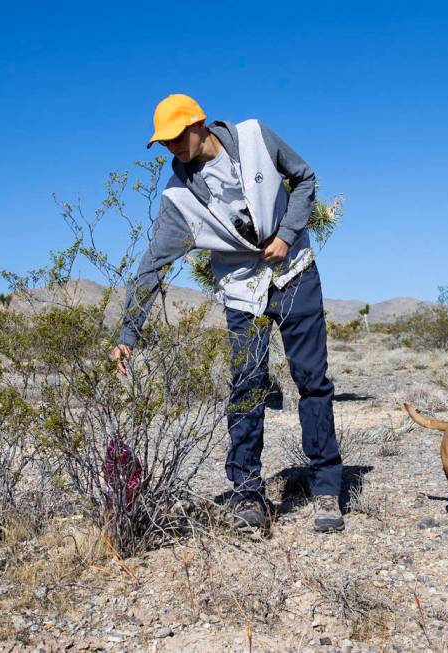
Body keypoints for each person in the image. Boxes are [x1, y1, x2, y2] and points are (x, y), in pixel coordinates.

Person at [110, 94, 343, 532]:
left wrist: (289, 235)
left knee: (312, 380)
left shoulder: (255, 136)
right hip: (242, 292)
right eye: (164, 142)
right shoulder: (179, 200)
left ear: (198, 124)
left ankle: (327, 486)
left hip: (294, 273)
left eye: (177, 136)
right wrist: (128, 334)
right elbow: (151, 268)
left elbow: (305, 179)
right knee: (247, 388)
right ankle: (247, 495)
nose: (172, 147)